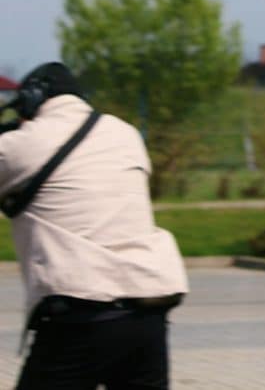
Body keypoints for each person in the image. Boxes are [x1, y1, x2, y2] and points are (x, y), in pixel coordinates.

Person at [0, 62, 189, 390]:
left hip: (80, 315)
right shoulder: (126, 133)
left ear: (33, 98)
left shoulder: (21, 145)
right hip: (147, 310)